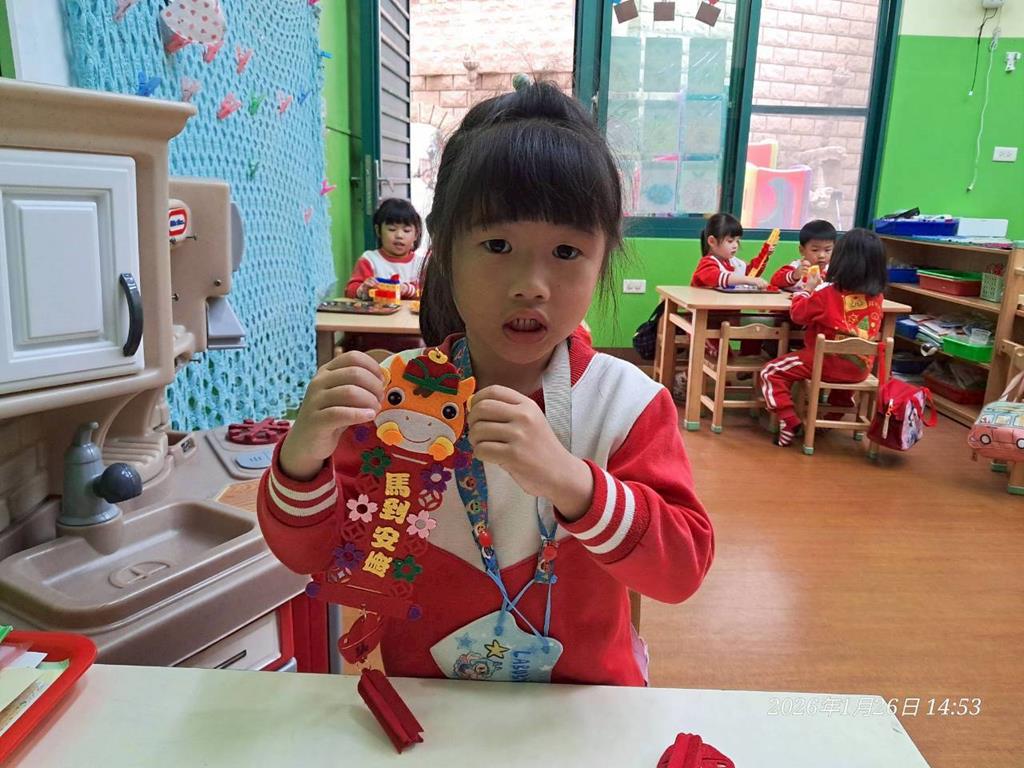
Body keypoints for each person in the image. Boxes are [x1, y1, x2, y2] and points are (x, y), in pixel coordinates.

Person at [258, 82, 714, 686]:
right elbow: (312, 556)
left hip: (586, 708)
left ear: (604, 259)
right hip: (429, 705)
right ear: (445, 251)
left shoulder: (627, 404)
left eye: (567, 251)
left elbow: (681, 573)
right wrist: (301, 458)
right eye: (497, 245)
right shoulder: (392, 400)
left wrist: (572, 483)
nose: (531, 285)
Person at [759, 228, 889, 447]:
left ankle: (789, 420)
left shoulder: (827, 293)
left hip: (825, 363)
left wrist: (806, 291)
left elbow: (798, 315)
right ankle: (834, 414)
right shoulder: (877, 298)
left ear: (840, 260)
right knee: (845, 368)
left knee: (770, 372)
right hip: (860, 368)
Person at [345, 198, 425, 300]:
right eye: (392, 229)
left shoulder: (421, 264)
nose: (399, 235)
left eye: (406, 230)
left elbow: (429, 291)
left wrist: (407, 289)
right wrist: (362, 290)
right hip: (377, 310)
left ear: (416, 234)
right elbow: (350, 290)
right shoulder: (370, 260)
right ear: (378, 231)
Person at [690, 213, 769, 290]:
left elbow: (752, 272)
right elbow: (718, 277)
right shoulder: (706, 264)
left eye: (737, 241)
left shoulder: (735, 262)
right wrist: (748, 280)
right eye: (730, 241)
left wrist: (764, 255)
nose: (735, 245)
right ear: (712, 241)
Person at [769, 219, 837, 292]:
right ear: (802, 250)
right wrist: (794, 275)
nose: (822, 255)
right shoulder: (796, 266)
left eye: (827, 250)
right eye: (815, 250)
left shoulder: (834, 270)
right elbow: (774, 281)